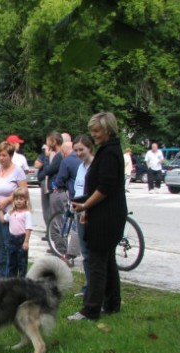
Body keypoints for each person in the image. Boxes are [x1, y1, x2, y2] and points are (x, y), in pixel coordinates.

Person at [68, 112, 127, 321]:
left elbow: (105, 188)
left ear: (108, 130)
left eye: (96, 131)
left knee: (97, 262)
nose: (93, 135)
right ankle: (112, 303)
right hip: (105, 214)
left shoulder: (110, 153)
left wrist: (85, 205)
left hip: (107, 217)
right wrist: (85, 205)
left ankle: (91, 309)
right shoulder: (107, 150)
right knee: (107, 260)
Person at [0, 141, 28, 277]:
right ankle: (0, 274)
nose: (1, 158)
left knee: (8, 246)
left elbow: (24, 191)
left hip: (10, 213)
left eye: (4, 155)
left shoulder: (17, 171)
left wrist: (7, 200)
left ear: (10, 156)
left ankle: (10, 276)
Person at [71, 134, 94, 296]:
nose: (78, 153)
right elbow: (79, 189)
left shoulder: (95, 166)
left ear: (89, 148)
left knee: (92, 253)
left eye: (81, 150)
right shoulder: (81, 167)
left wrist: (85, 209)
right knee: (85, 253)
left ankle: (95, 287)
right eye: (76, 150)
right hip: (79, 211)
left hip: (89, 212)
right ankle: (88, 285)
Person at [0, 187, 32, 277]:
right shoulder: (11, 212)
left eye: (21, 199)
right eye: (16, 199)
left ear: (26, 200)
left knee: (22, 263)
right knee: (11, 263)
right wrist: (0, 210)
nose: (18, 201)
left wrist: (26, 241)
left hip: (21, 239)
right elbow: (3, 220)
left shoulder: (27, 213)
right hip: (12, 239)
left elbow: (28, 229)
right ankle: (10, 282)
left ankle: (21, 282)